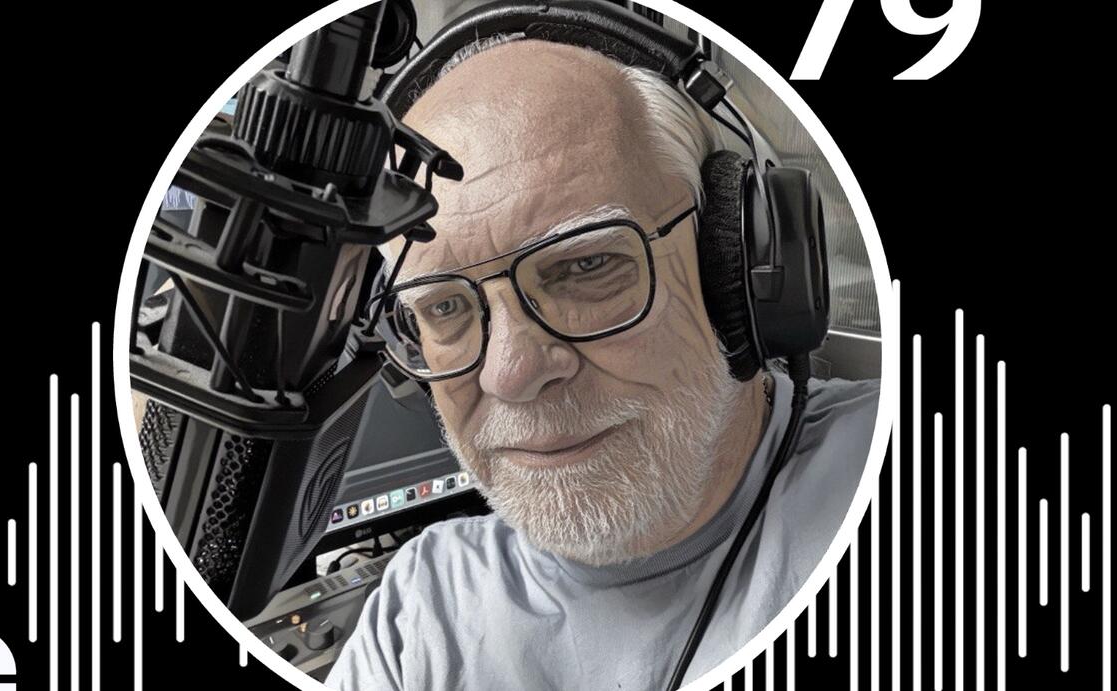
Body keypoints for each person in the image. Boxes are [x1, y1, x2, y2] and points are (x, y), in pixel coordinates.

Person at [324, 33, 879, 691]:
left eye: (586, 265)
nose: (511, 374)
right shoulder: (416, 614)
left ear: (734, 268)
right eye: (444, 307)